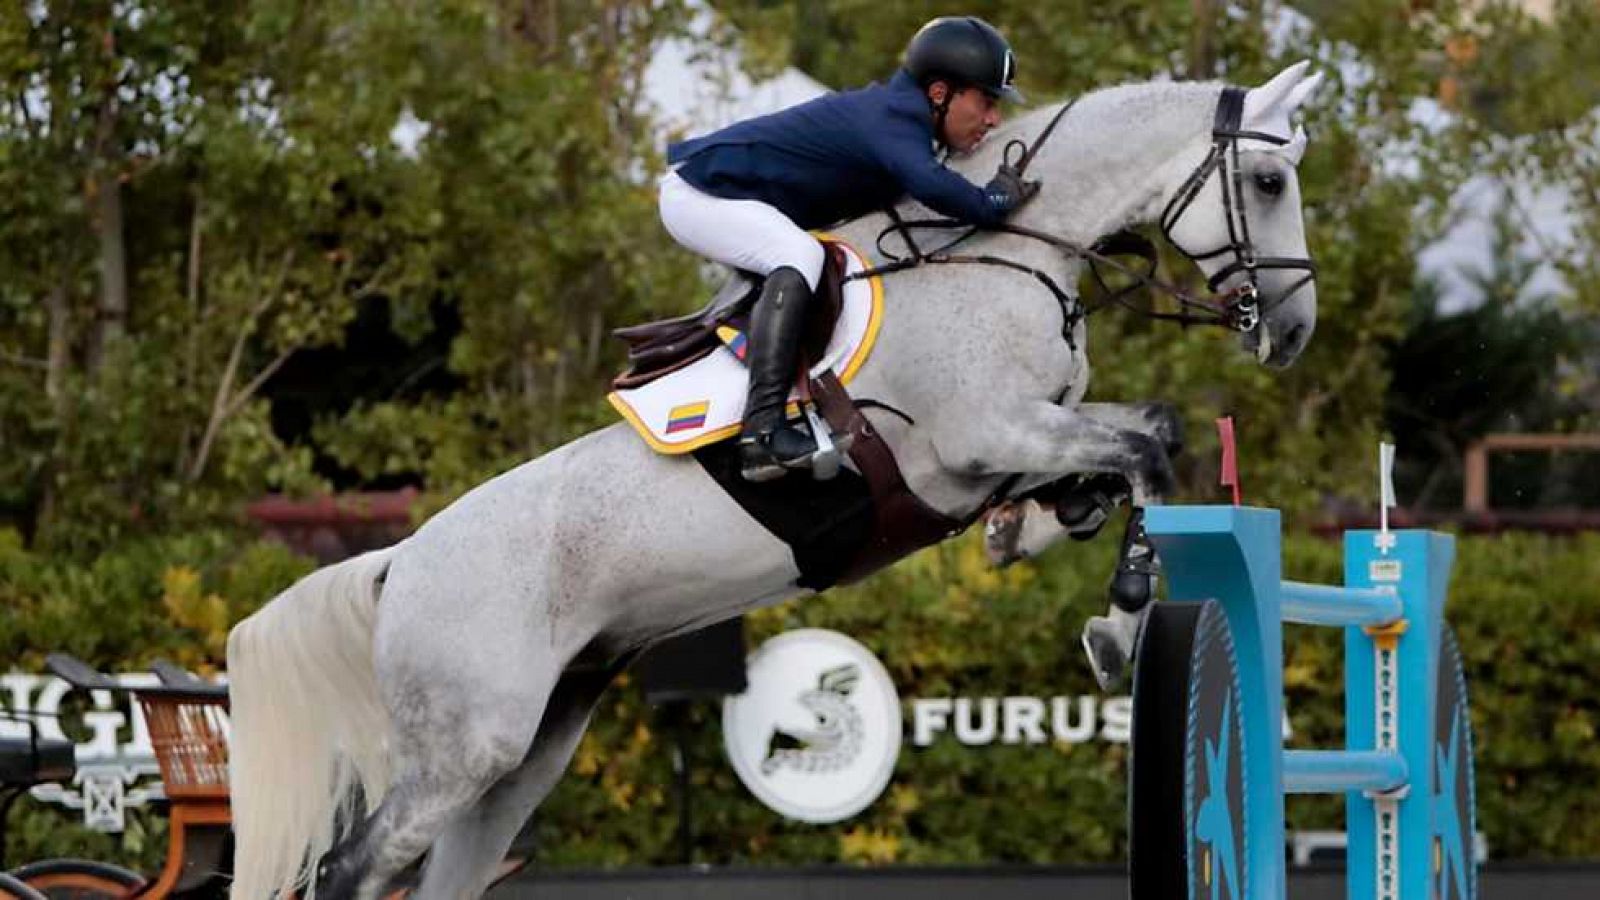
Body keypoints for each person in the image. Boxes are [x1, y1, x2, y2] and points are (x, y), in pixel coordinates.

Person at [659, 15, 1041, 482]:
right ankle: (761, 435)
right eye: (985, 100)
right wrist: (994, 201)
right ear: (939, 93)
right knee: (800, 256)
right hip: (699, 195)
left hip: (735, 198)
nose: (994, 118)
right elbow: (932, 185)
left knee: (808, 256)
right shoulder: (893, 120)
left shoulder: (906, 121)